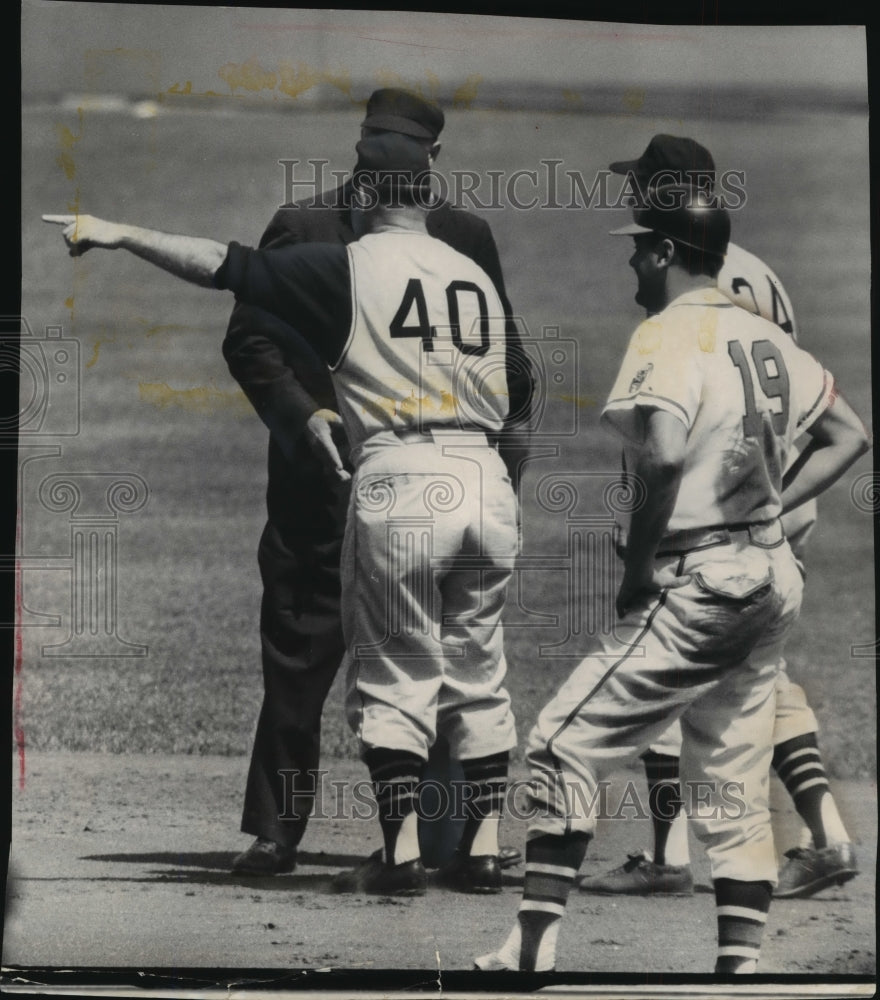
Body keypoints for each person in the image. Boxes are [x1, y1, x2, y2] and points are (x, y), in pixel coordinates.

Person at [44, 130, 534, 897]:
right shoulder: (472, 272)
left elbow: (220, 264)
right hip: (486, 481)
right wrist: (505, 491)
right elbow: (523, 397)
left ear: (366, 196)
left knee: (394, 673)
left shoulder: (351, 266)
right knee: (477, 670)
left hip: (401, 479)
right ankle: (485, 850)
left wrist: (119, 233)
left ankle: (401, 854)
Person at [473, 184, 869, 973]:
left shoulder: (665, 333)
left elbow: (658, 455)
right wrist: (769, 509)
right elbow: (850, 434)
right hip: (770, 579)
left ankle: (532, 946)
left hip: (701, 579)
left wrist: (640, 561)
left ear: (663, 252)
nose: (630, 256)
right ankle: (739, 966)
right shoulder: (768, 339)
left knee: (560, 742)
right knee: (729, 775)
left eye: (637, 245)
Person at [220, 88, 525, 880]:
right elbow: (251, 339)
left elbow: (503, 362)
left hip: (418, 487)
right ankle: (278, 831)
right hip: (320, 482)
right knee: (300, 647)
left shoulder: (463, 237)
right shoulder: (304, 226)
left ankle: (422, 841)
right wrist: (301, 416)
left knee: (433, 654)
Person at [578, 135, 858, 900]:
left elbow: (677, 427)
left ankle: (669, 854)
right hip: (773, 497)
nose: (630, 198)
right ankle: (824, 833)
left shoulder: (688, 280)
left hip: (722, 506)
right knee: (750, 671)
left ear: (669, 195)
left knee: (669, 658)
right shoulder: (754, 268)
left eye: (640, 185)